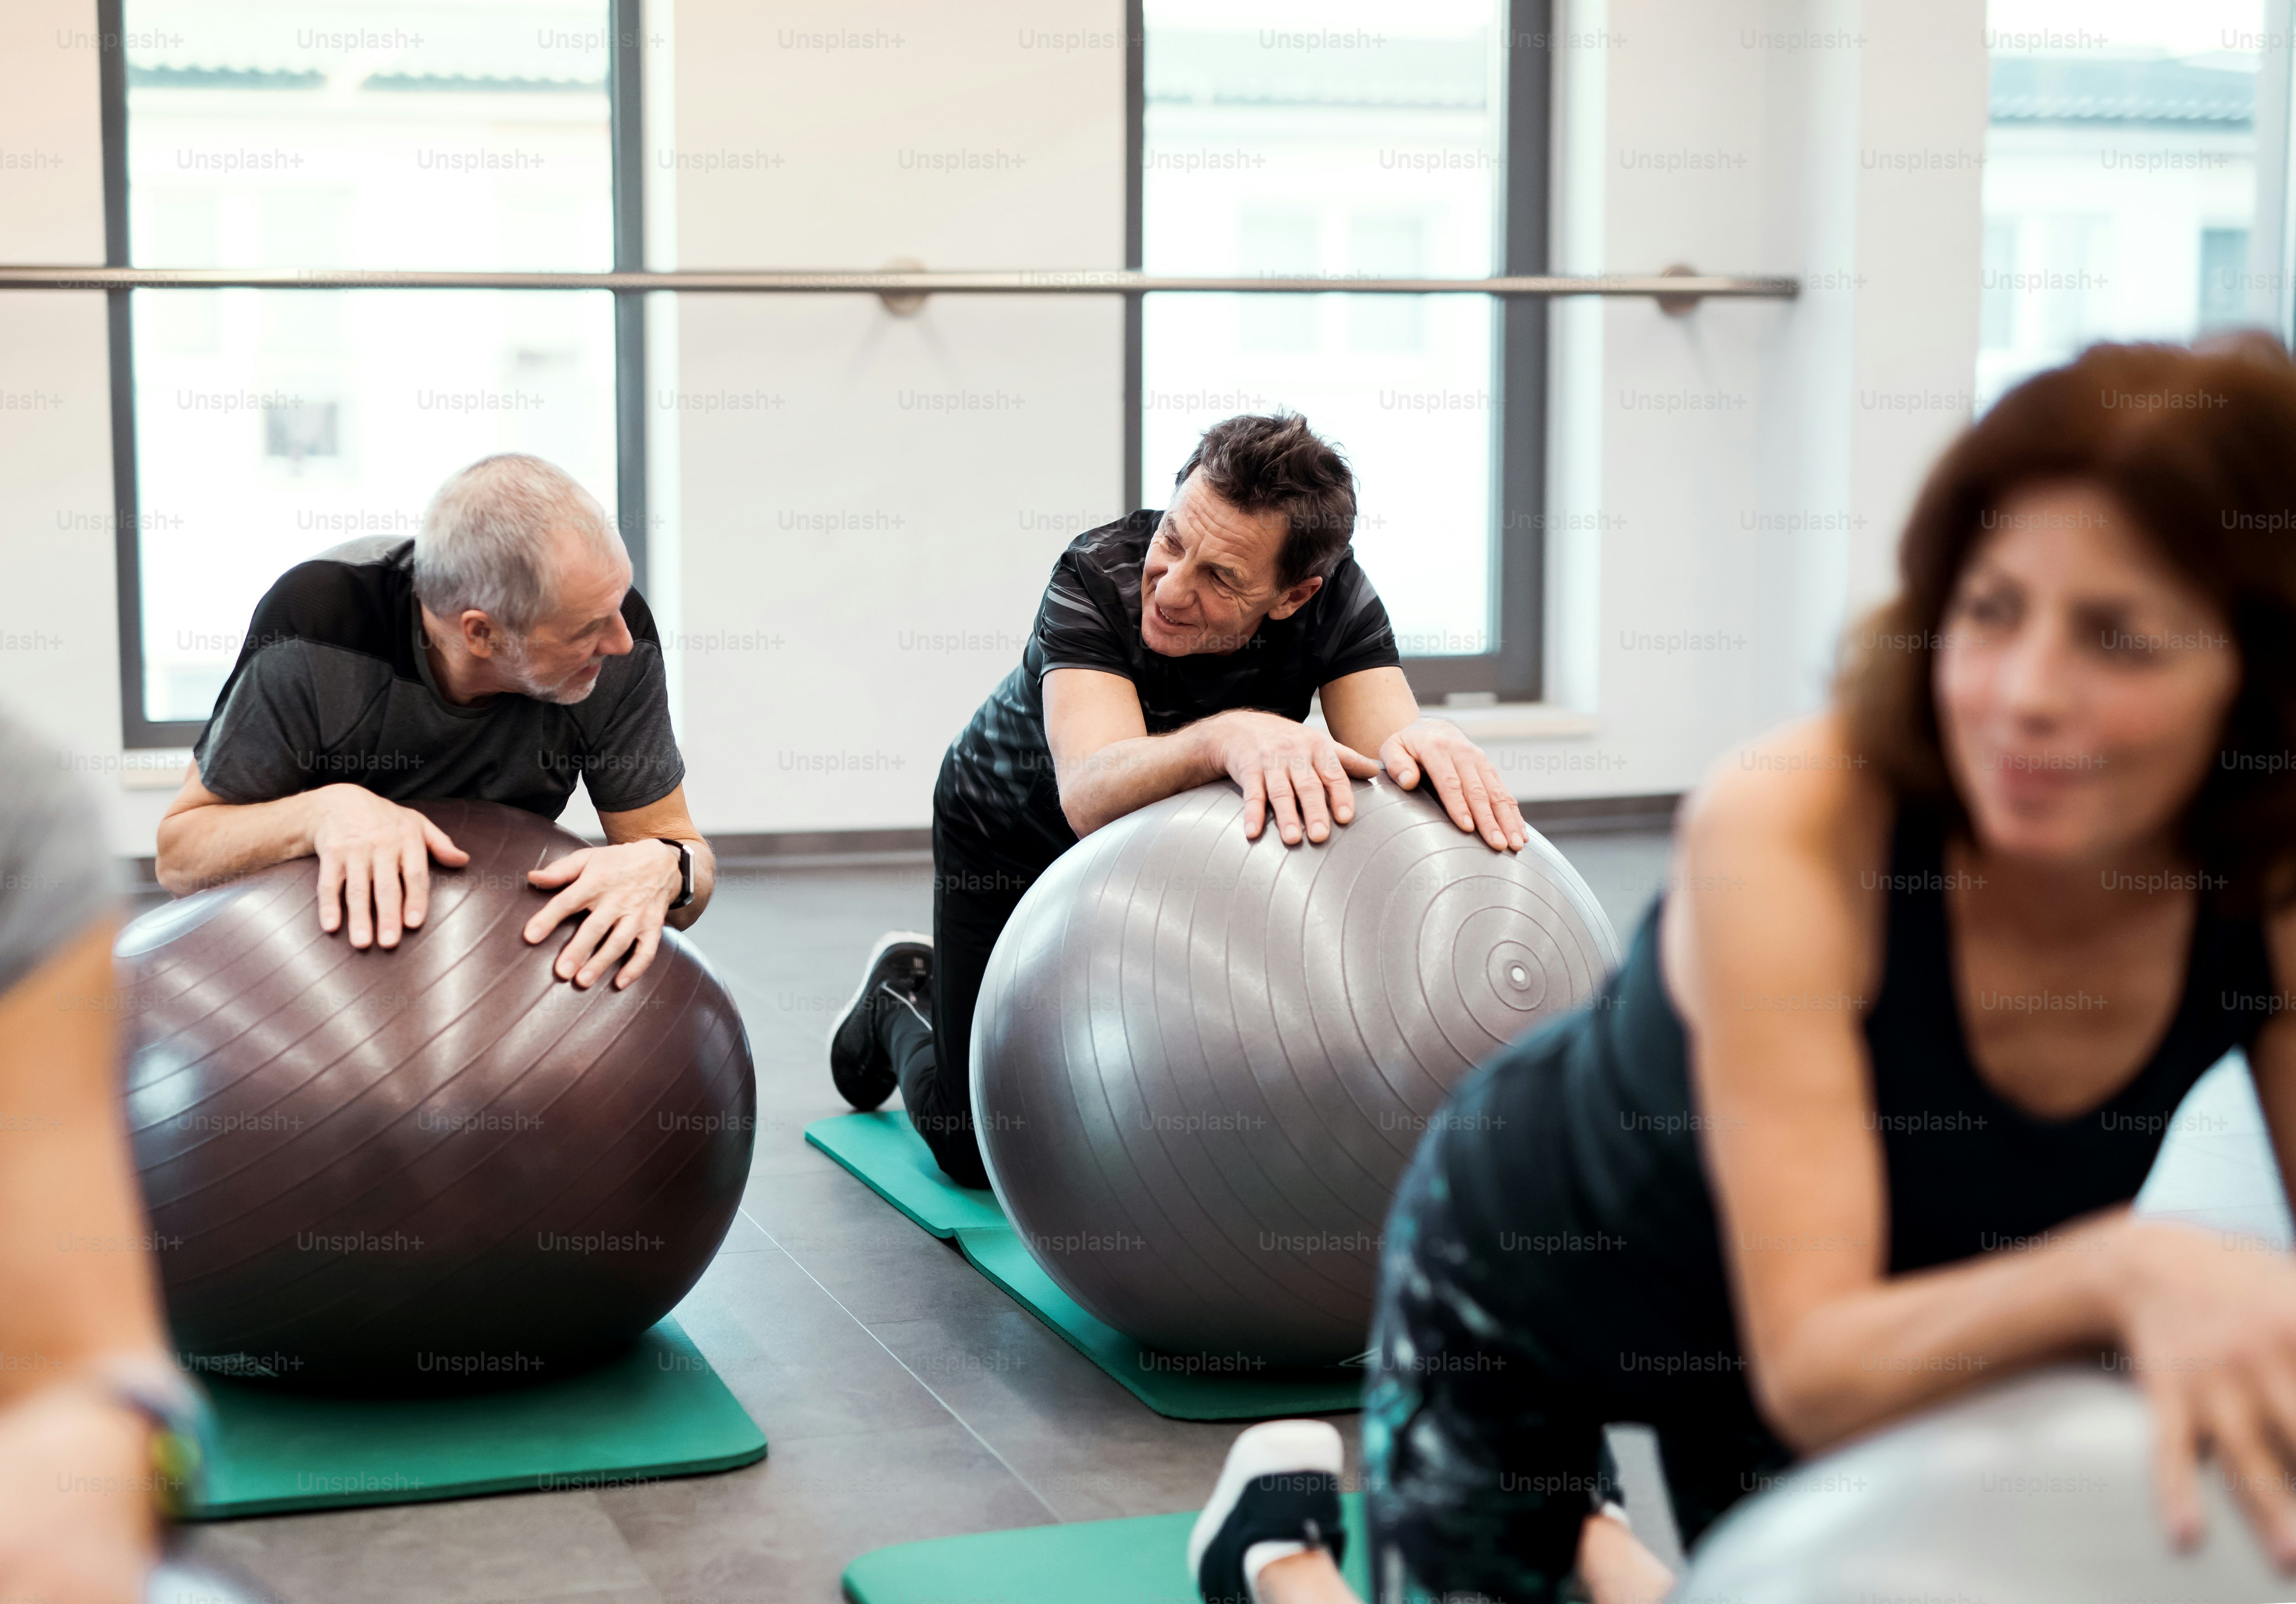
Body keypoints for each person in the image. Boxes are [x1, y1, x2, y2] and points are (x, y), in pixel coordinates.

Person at [1185, 339, 2296, 1604]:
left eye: (2119, 637)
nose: (2027, 694)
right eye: (1990, 610)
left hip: (1887, 1327)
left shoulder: (2265, 878)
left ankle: (1586, 1526)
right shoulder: (1797, 819)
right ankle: (1272, 1554)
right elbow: (1813, 1363)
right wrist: (2125, 1266)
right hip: (1531, 1278)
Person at [825, 413, 1530, 1186]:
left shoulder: (1336, 601)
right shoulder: (1096, 573)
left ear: (1295, 594)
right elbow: (1090, 794)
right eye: (1174, 540)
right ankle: (902, 989)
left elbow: (1386, 751)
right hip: (1009, 829)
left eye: (1222, 577)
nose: (1172, 586)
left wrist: (1427, 747)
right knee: (976, 1150)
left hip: (1171, 848)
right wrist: (1225, 734)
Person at [154, 454, 713, 989]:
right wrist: (321, 812)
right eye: (585, 630)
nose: (619, 641)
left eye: (617, 604)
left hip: (494, 953)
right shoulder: (318, 626)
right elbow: (181, 858)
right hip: (311, 953)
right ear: (481, 633)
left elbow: (679, 849)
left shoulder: (613, 634)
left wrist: (671, 867)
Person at [0, 706, 208, 1604]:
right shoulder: (311, 641)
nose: (618, 644)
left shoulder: (20, 808)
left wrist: (79, 1477)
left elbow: (81, 1366)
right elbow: (189, 845)